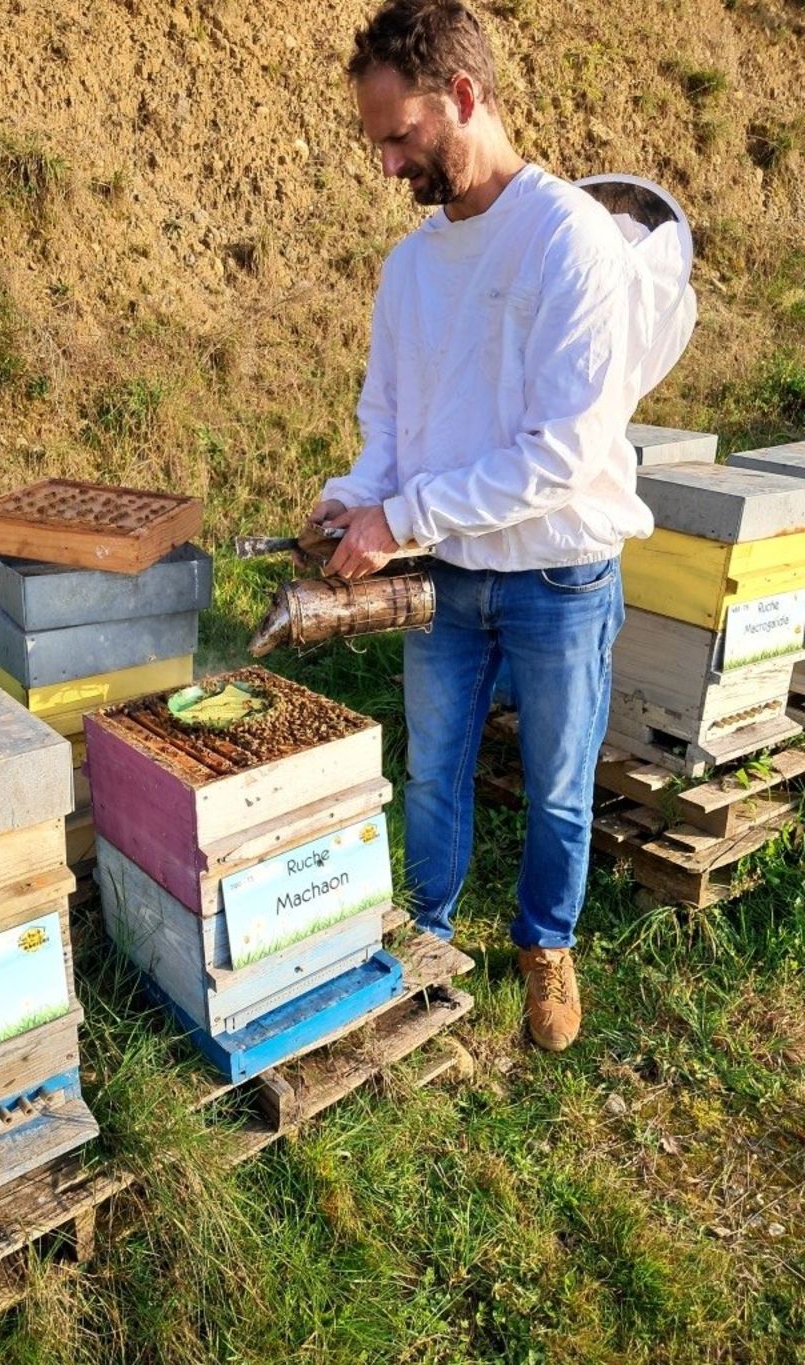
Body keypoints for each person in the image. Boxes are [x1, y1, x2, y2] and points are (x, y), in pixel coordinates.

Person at [309, 0, 695, 1051]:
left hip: (557, 576)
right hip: (444, 575)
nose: (386, 164)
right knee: (431, 772)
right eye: (375, 142)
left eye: (399, 136)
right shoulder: (409, 268)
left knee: (559, 788)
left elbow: (561, 452)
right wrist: (357, 496)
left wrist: (402, 513)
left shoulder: (568, 239)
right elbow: (390, 424)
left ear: (464, 97)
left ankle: (544, 945)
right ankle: (427, 944)